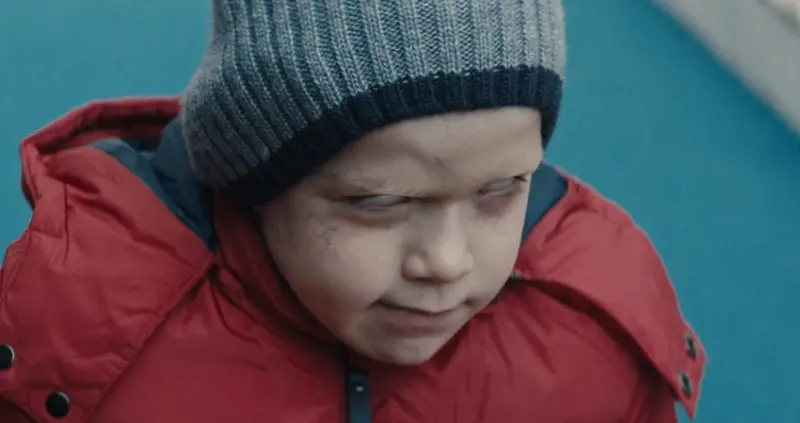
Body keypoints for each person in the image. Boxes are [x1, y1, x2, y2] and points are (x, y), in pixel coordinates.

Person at [0, 0, 706, 422]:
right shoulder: (82, 355)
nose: (448, 260)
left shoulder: (593, 335)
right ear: (255, 176)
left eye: (500, 191)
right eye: (380, 202)